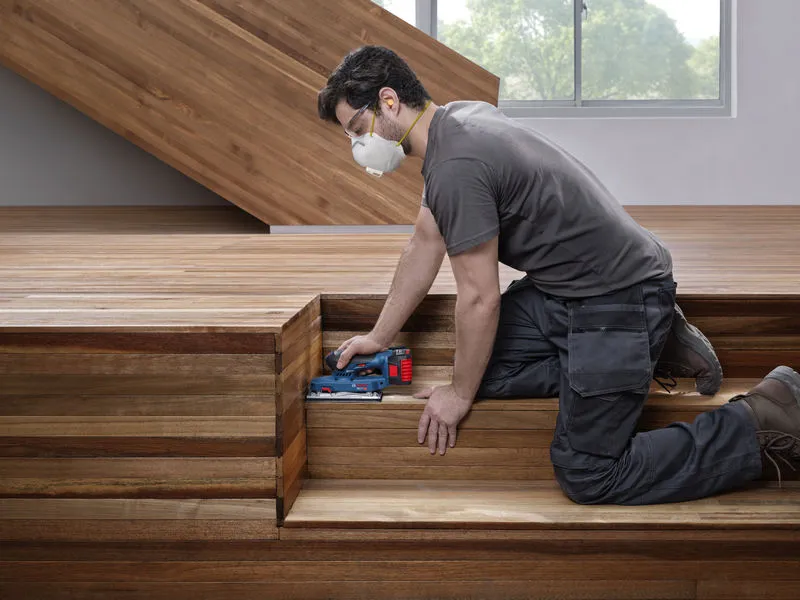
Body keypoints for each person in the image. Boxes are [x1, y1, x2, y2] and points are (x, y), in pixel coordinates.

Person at [316, 45, 800, 505]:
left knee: (587, 472)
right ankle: (645, 355)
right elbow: (425, 241)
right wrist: (380, 335)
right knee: (486, 366)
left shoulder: (455, 165)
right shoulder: (459, 120)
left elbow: (480, 299)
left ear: (388, 101)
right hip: (575, 287)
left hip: (619, 296)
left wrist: (459, 394)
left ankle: (758, 418)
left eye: (358, 128)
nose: (359, 145)